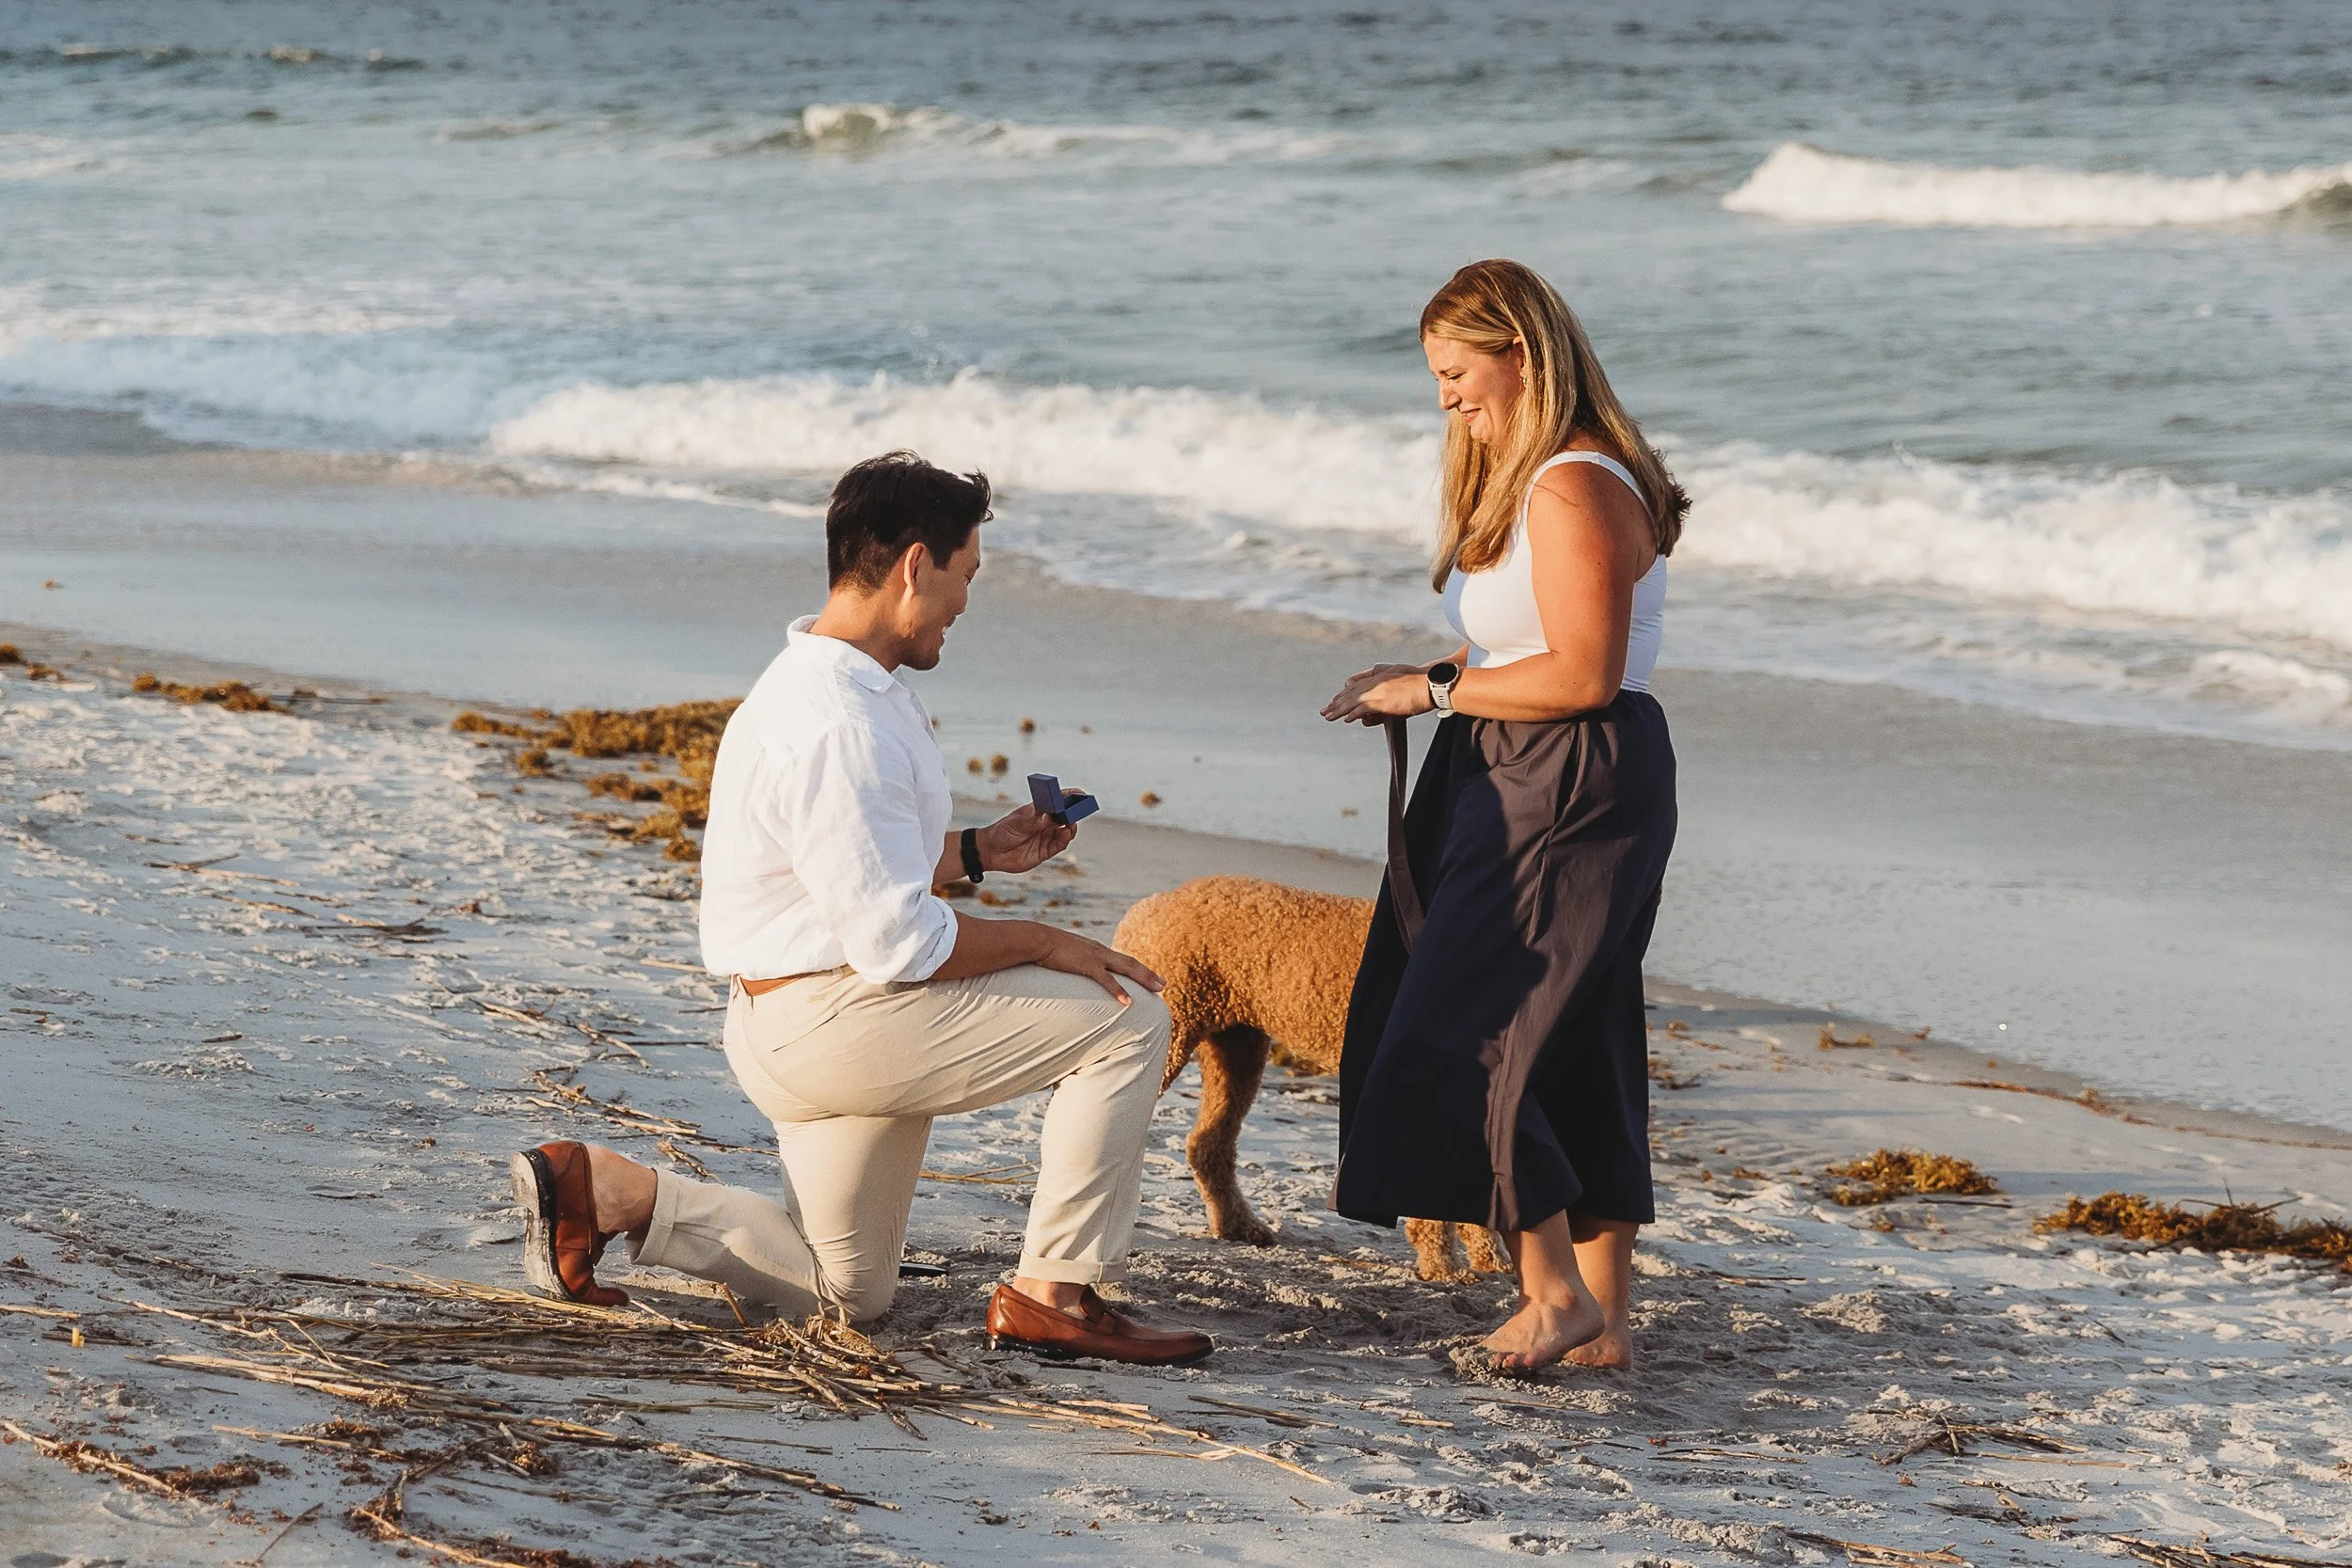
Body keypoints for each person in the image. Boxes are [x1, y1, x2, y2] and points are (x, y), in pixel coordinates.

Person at [511, 450, 1212, 1367]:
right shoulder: (842, 722)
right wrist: (1047, 940)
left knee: (849, 1295)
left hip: (793, 1017)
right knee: (1130, 1015)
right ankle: (1055, 1293)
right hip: (837, 1021)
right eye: (966, 575)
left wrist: (976, 850)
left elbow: (846, 870)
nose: (966, 601)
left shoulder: (823, 686)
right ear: (917, 565)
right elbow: (900, 944)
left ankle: (607, 1191)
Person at [1321, 260, 1686, 1373]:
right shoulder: (1543, 476)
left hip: (1562, 778)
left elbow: (1582, 674)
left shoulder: (1572, 484)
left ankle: (1553, 1293)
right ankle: (1605, 1323)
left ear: (1521, 355)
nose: (1443, 396)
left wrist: (1432, 692)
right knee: (1573, 1036)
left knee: (1465, 1027)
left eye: (1456, 372)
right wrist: (1423, 672)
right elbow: (1527, 641)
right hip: (1522, 762)